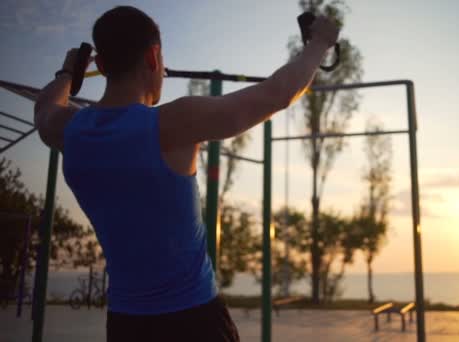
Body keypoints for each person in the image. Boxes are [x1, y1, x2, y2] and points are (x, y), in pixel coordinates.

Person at [33, 5, 339, 342]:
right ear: (153, 57)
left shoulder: (67, 130)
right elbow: (277, 93)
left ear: (102, 65)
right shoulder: (171, 123)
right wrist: (320, 43)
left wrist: (67, 72)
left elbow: (46, 107)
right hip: (196, 323)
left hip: (125, 326)